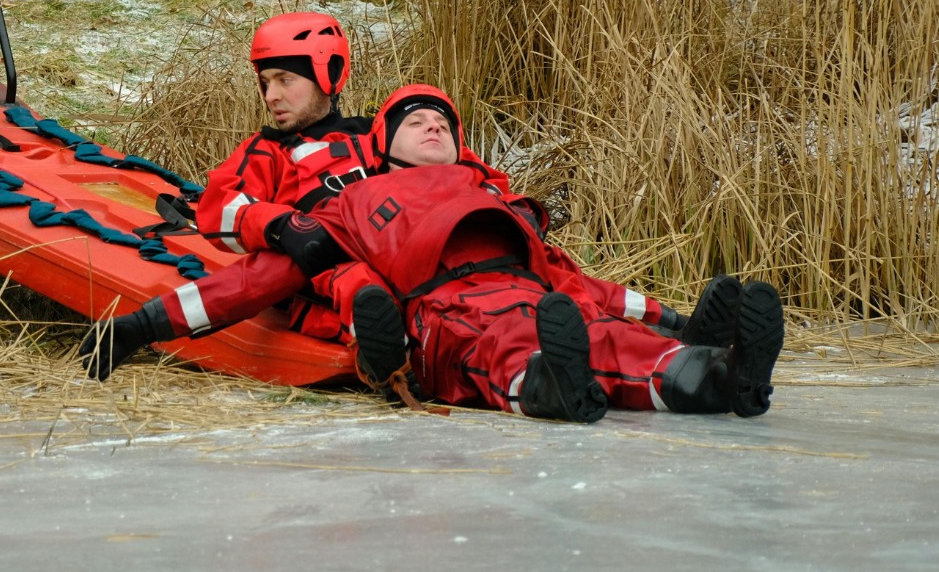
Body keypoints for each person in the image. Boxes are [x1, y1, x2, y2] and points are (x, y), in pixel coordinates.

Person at [266, 86, 783, 420]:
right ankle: (547, 385)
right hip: (449, 307)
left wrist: (667, 320)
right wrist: (383, 348)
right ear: (383, 145)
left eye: (443, 123)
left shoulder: (487, 196)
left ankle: (718, 376)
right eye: (416, 122)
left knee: (606, 334)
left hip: (534, 296)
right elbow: (330, 276)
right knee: (504, 343)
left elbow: (568, 274)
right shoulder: (359, 200)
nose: (433, 126)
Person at [78, 12, 396, 378]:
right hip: (327, 284)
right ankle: (391, 350)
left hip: (407, 258)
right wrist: (281, 227)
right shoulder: (268, 152)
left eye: (285, 80)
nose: (271, 96)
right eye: (265, 82)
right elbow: (220, 207)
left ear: (331, 74)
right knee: (314, 259)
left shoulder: (380, 137)